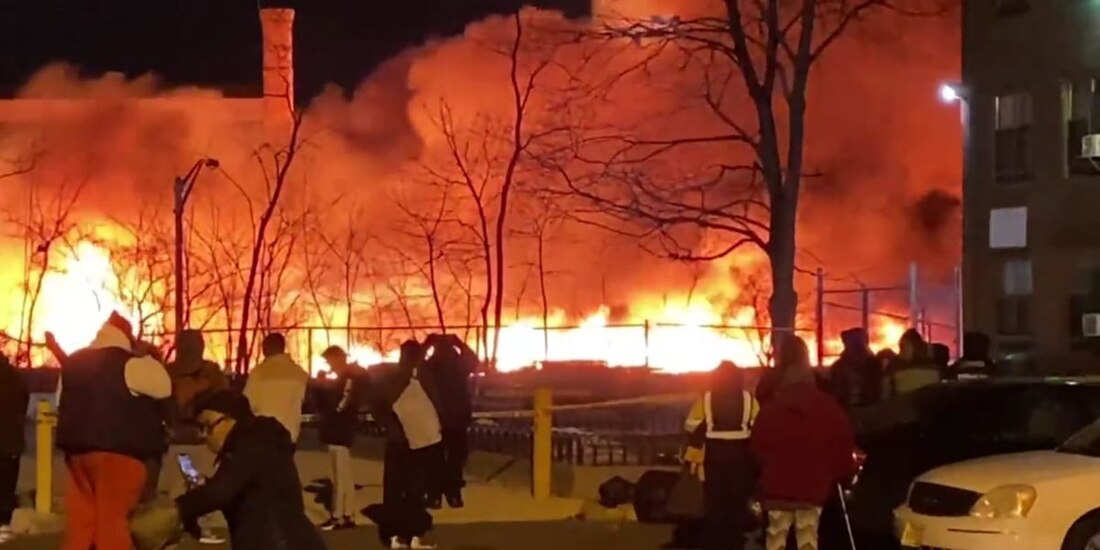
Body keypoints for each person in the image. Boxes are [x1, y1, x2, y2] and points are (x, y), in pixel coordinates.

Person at [56, 313, 172, 550]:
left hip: (77, 454)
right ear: (127, 336)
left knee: (82, 524)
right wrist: (147, 357)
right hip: (121, 454)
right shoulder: (130, 363)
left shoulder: (73, 365)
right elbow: (164, 387)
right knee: (113, 522)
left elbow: (60, 401)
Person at [174, 390, 326, 550]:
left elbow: (219, 493)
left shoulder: (251, 444)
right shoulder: (250, 442)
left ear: (231, 418)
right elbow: (239, 488)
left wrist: (177, 509)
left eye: (208, 425)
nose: (204, 434)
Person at [751, 342, 857, 550]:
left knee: (776, 538)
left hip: (777, 488)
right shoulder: (827, 407)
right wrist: (837, 473)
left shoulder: (771, 407)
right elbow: (842, 444)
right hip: (812, 489)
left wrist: (766, 470)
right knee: (808, 539)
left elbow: (757, 445)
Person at [364, 339, 441, 549]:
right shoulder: (422, 379)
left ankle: (393, 535)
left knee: (394, 489)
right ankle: (413, 533)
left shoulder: (388, 380)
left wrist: (390, 426)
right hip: (418, 442)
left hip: (398, 442)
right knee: (415, 489)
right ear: (418, 358)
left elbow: (375, 405)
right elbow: (435, 407)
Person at [161, 329, 231, 545]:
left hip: (174, 438)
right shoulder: (210, 372)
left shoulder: (167, 371)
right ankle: (196, 526)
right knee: (199, 485)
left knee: (176, 487)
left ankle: (171, 528)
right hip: (202, 438)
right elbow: (225, 399)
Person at [686, 361, 758, 550]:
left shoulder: (707, 399)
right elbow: (758, 424)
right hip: (741, 456)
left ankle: (716, 542)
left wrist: (705, 428)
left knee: (715, 503)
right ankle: (735, 542)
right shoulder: (749, 399)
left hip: (714, 456)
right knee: (737, 502)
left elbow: (691, 425)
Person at [421, 333, 476, 509]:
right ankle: (453, 495)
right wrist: (459, 343)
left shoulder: (430, 367)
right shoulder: (459, 366)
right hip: (456, 418)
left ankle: (434, 495)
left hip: (435, 418)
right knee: (455, 459)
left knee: (434, 458)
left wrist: (426, 345)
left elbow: (415, 363)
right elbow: (474, 360)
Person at [318, 345, 367, 531]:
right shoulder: (346, 378)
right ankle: (348, 513)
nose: (329, 364)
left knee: (340, 476)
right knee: (345, 476)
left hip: (338, 431)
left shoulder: (347, 379)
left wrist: (323, 390)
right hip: (341, 431)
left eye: (330, 360)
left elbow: (340, 404)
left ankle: (338, 516)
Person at [243, 333, 307, 444]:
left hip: (263, 434)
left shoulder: (259, 373)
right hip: (289, 435)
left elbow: (247, 403)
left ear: (267, 347)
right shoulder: (299, 373)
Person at [0, 353, 28, 544]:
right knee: (6, 491)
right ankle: (3, 533)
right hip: (10, 443)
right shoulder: (16, 378)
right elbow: (23, 404)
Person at [828, 328, 883, 408]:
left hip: (849, 410)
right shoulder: (876, 363)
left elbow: (835, 394)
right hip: (873, 409)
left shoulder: (839, 366)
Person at [883, 329, 941, 400]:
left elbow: (884, 396)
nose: (900, 352)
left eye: (903, 347)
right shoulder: (934, 367)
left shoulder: (896, 367)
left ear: (913, 345)